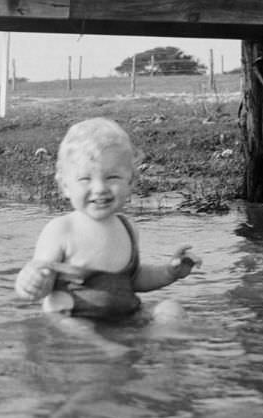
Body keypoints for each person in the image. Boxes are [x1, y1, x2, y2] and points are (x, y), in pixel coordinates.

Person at [15, 117, 201, 319]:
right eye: (85, 179)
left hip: (124, 316)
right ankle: (113, 347)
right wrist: (29, 283)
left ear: (131, 181)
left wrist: (169, 272)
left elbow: (133, 279)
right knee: (72, 326)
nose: (100, 188)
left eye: (112, 177)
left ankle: (156, 341)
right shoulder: (61, 230)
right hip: (75, 320)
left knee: (171, 309)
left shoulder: (127, 227)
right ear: (65, 186)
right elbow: (41, 280)